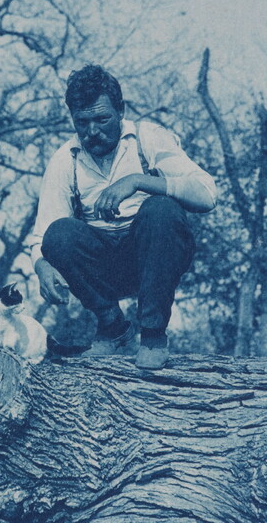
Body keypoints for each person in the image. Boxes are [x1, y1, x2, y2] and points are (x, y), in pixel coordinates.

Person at [29, 65, 217, 369]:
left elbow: (207, 193)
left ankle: (154, 335)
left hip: (153, 258)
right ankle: (113, 327)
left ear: (121, 111)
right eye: (82, 122)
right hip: (103, 268)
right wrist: (41, 266)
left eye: (102, 119)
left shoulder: (148, 138)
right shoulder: (66, 159)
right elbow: (42, 235)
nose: (93, 132)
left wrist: (138, 181)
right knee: (58, 234)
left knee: (161, 209)